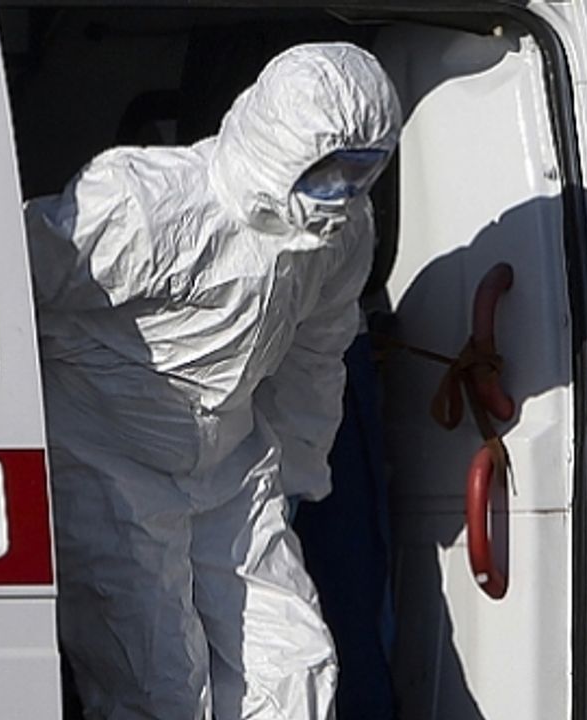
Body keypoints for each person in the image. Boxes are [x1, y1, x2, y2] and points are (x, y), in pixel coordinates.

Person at [26, 43, 402, 720]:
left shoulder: (342, 236)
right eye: (330, 169)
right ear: (282, 143)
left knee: (296, 667)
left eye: (362, 171)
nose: (343, 192)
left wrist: (298, 472)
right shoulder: (151, 207)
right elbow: (5, 282)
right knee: (160, 684)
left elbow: (316, 355)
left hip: (230, 464)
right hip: (107, 459)